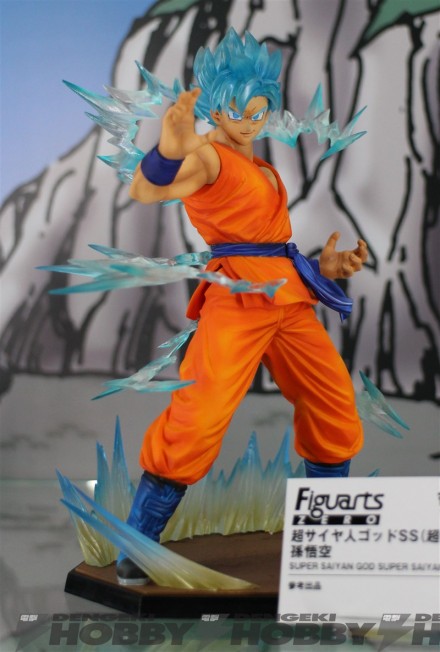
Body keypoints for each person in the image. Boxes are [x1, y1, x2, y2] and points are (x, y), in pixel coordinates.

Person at [116, 29, 368, 585]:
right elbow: (146, 190)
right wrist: (167, 150)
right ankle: (136, 545)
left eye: (258, 110)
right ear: (214, 108)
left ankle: (329, 547)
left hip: (288, 297)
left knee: (332, 403)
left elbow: (267, 245)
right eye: (237, 110)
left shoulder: (262, 167)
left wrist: (324, 269)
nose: (250, 121)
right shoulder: (208, 155)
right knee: (200, 415)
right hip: (236, 300)